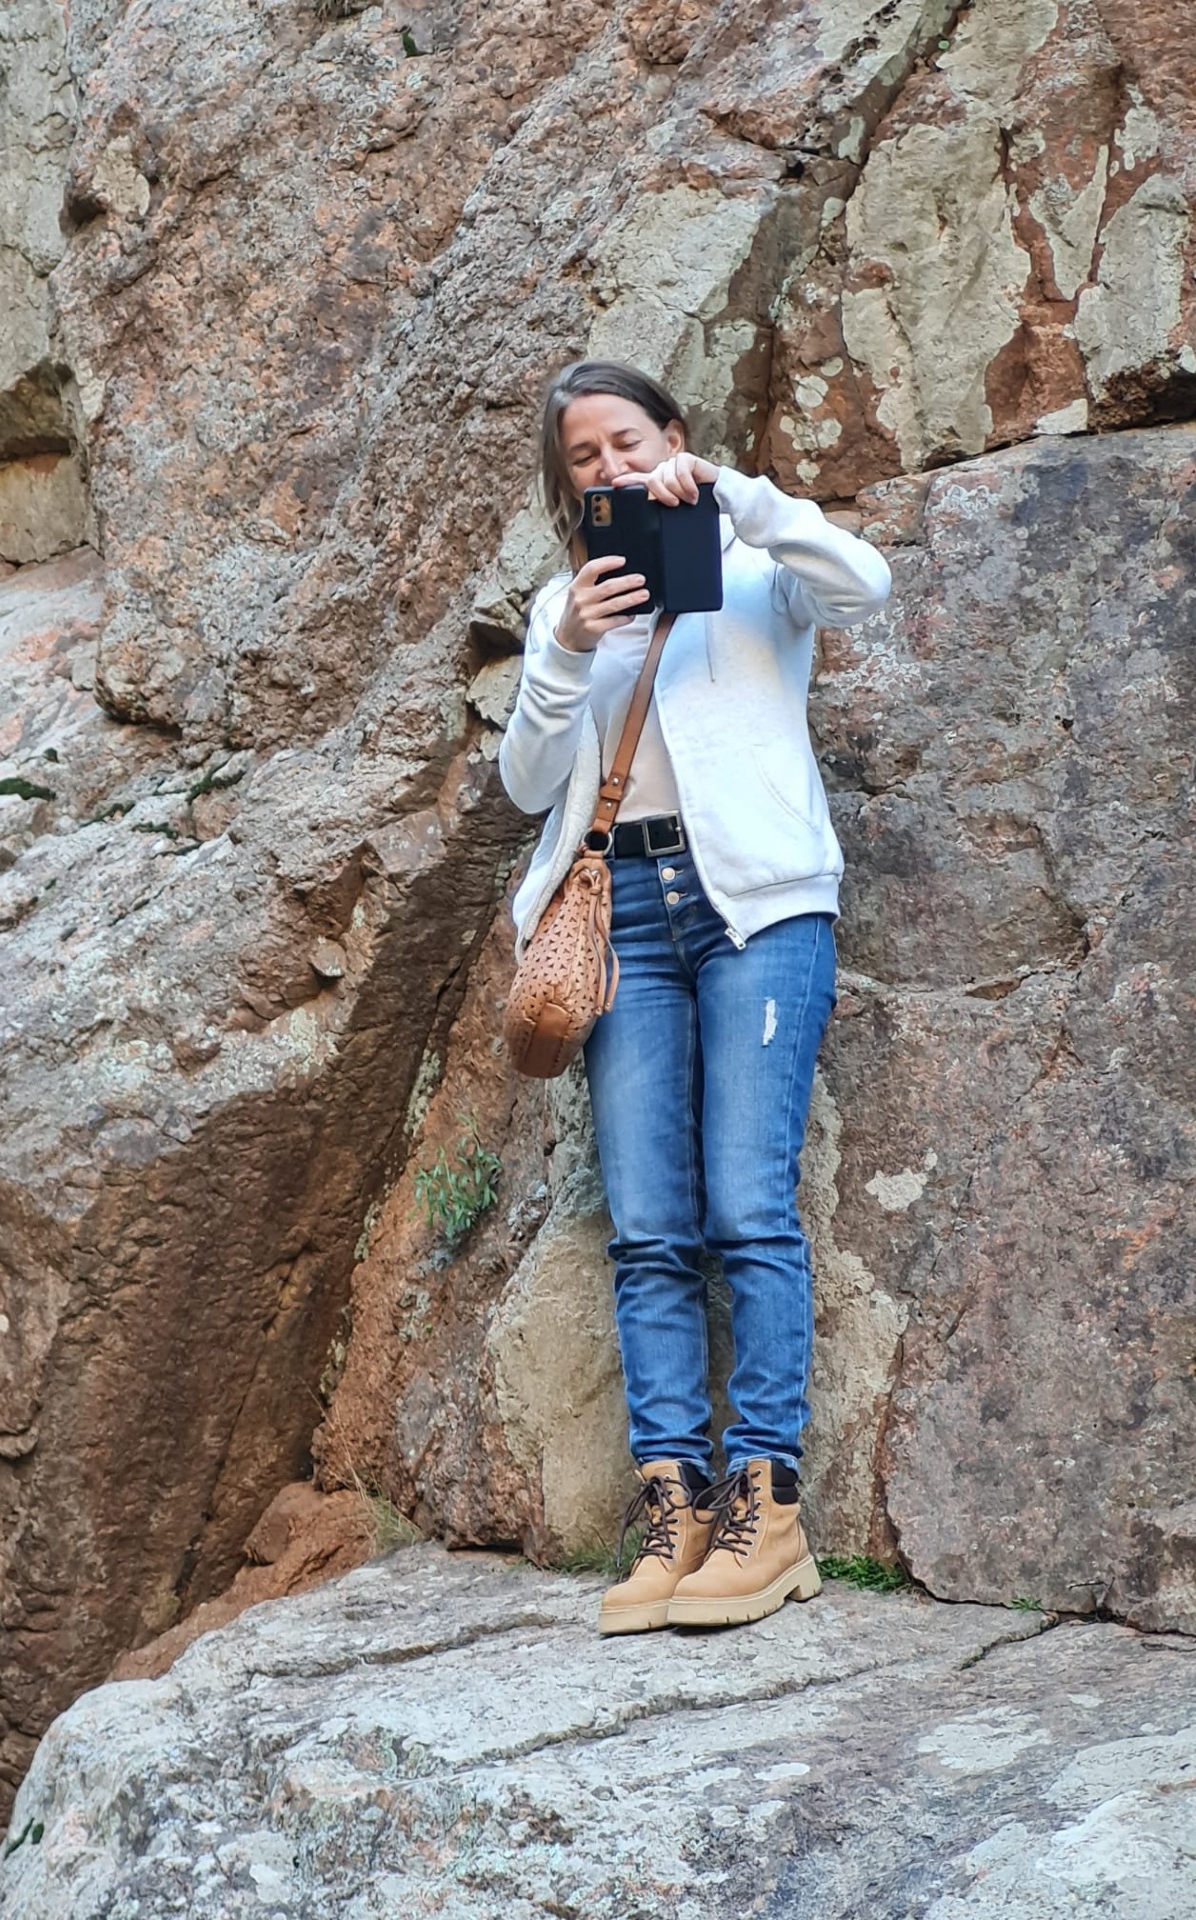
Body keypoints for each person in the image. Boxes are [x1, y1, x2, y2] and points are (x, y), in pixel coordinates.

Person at [499, 360, 892, 1634]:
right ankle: (673, 1511)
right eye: (584, 459)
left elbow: (865, 584)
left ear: (672, 436)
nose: (610, 469)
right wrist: (567, 649)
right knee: (649, 1227)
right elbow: (525, 783)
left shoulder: (757, 557)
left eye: (628, 442)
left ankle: (766, 1513)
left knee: (748, 1207)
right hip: (626, 920)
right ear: (568, 485)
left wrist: (734, 494)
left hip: (758, 911)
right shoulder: (567, 606)